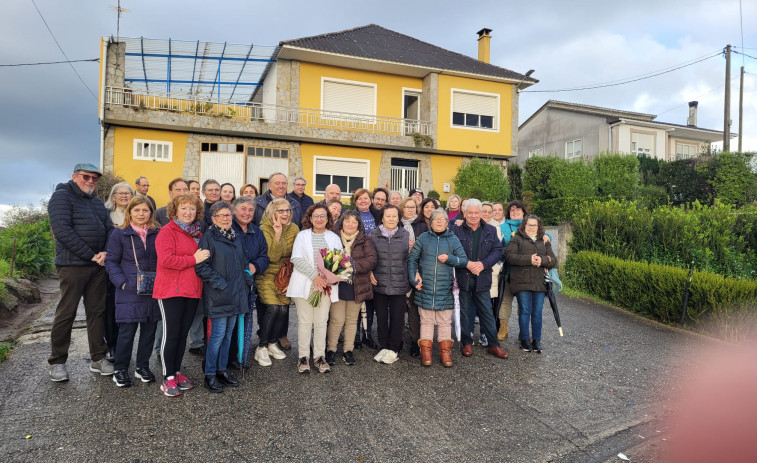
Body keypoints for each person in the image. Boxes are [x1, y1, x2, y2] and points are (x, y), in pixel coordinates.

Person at [47, 163, 114, 382]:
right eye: (86, 177)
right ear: (75, 176)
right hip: (73, 266)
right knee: (67, 313)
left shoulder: (96, 203)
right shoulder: (62, 197)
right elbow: (62, 231)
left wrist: (105, 252)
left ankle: (98, 357)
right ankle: (57, 361)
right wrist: (90, 254)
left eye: (95, 179)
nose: (91, 181)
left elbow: (109, 229)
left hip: (97, 266)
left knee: (97, 312)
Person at [154, 193, 209, 397]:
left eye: (192, 208)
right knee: (171, 334)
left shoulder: (196, 234)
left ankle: (176, 371)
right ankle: (167, 378)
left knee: (183, 334)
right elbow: (166, 260)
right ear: (175, 210)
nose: (188, 212)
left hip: (192, 290)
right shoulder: (167, 232)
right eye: (184, 208)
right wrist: (193, 259)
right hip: (171, 291)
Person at [195, 201, 253, 392]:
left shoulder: (235, 237)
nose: (226, 218)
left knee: (228, 336)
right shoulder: (209, 238)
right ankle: (209, 374)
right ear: (213, 218)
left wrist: (246, 278)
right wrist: (221, 284)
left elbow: (244, 261)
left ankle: (221, 370)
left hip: (236, 294)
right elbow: (201, 266)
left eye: (228, 215)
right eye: (222, 215)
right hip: (219, 295)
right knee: (217, 336)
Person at [105, 196, 160, 387]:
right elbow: (111, 261)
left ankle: (142, 366)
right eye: (137, 210)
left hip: (153, 289)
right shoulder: (119, 234)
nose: (141, 214)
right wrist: (121, 283)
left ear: (151, 213)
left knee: (149, 330)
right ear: (129, 212)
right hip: (129, 289)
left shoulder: (157, 233)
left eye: (145, 210)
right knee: (127, 332)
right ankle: (120, 369)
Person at [449, 199, 509, 360]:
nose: (474, 216)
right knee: (465, 312)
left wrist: (483, 264)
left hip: (483, 278)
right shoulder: (456, 229)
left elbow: (497, 251)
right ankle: (467, 342)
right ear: (465, 213)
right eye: (470, 213)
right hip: (464, 278)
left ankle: (493, 344)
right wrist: (467, 264)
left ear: (481, 213)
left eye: (477, 212)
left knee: (487, 313)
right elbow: (450, 252)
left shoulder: (490, 230)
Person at [408, 209, 468, 367]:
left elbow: (463, 260)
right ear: (431, 222)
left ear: (448, 223)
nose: (439, 221)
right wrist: (414, 278)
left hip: (446, 289)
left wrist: (450, 259)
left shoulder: (453, 239)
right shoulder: (423, 238)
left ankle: (445, 354)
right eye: (436, 219)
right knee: (426, 321)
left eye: (443, 219)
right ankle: (426, 353)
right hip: (425, 287)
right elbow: (412, 259)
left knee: (444, 322)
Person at [287, 204, 342, 374]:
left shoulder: (333, 238)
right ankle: (303, 356)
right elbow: (297, 258)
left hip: (325, 287)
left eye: (323, 216)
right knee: (304, 322)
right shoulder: (302, 236)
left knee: (321, 322)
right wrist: (315, 277)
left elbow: (338, 262)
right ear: (310, 218)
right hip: (305, 284)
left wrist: (327, 280)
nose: (319, 219)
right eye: (316, 216)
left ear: (328, 219)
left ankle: (319, 356)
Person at [326, 210, 377, 366]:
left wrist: (352, 265)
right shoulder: (333, 237)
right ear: (342, 222)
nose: (350, 224)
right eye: (347, 221)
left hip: (357, 285)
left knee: (351, 320)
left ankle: (348, 350)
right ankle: (331, 349)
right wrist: (338, 267)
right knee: (336, 319)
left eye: (354, 222)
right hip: (338, 285)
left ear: (358, 225)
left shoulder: (364, 240)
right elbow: (327, 256)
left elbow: (371, 259)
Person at [255, 199, 298, 366]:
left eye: (287, 210)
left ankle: (272, 343)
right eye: (280, 211)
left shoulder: (294, 228)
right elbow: (272, 256)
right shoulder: (264, 228)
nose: (285, 213)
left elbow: (296, 254)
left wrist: (292, 277)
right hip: (266, 275)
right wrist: (278, 234)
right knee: (273, 308)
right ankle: (261, 347)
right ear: (272, 212)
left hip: (286, 275)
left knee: (283, 310)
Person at [229, 197, 270, 369]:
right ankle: (227, 359)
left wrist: (256, 265)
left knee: (245, 321)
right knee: (229, 323)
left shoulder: (257, 231)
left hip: (249, 284)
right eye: (243, 209)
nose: (247, 213)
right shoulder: (228, 229)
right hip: (230, 284)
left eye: (250, 210)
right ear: (234, 210)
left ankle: (240, 356)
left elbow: (264, 256)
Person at [505, 215, 555, 354]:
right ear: (524, 225)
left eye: (534, 225)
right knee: (525, 310)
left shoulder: (544, 240)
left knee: (537, 312)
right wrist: (529, 259)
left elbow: (553, 260)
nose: (532, 228)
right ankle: (524, 339)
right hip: (521, 281)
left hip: (539, 281)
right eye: (529, 225)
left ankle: (537, 340)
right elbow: (509, 256)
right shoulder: (516, 239)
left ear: (539, 226)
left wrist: (543, 261)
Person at [369, 205, 411, 365]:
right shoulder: (373, 235)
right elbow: (370, 257)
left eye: (394, 216)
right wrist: (369, 272)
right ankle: (384, 346)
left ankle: (394, 348)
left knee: (397, 317)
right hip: (379, 282)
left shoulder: (405, 235)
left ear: (399, 218)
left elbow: (409, 260)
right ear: (382, 217)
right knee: (381, 316)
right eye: (388, 216)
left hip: (399, 282)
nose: (391, 219)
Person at [103, 182, 134, 360]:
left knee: (128, 310)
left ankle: (124, 348)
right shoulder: (107, 215)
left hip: (130, 267)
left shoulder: (136, 213)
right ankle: (112, 345)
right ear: (113, 197)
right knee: (111, 308)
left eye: (127, 193)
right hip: (112, 265)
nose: (124, 196)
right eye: (120, 193)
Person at [352, 188, 381, 347]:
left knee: (370, 299)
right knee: (358, 297)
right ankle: (356, 335)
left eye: (365, 198)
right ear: (355, 202)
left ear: (370, 200)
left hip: (376, 261)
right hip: (359, 262)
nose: (363, 201)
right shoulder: (351, 216)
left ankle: (367, 333)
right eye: (359, 199)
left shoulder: (378, 214)